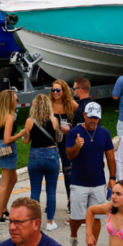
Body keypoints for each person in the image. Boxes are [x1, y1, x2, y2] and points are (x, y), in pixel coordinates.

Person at [66, 102, 117, 246]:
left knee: (97, 217)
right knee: (76, 217)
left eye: (96, 117)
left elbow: (110, 157)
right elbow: (69, 155)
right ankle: (73, 237)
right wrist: (77, 146)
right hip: (78, 181)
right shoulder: (74, 132)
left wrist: (112, 178)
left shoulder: (104, 133)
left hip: (98, 182)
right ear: (84, 115)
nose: (93, 120)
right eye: (90, 116)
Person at [23, 94, 62, 231]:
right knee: (51, 191)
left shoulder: (30, 121)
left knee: (35, 190)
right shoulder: (54, 119)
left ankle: (34, 223)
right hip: (51, 155)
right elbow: (58, 138)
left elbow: (26, 141)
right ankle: (50, 222)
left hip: (35, 156)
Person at [0, 90, 24, 222]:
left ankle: (3, 208)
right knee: (5, 183)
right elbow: (7, 139)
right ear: (9, 101)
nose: (17, 101)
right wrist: (20, 134)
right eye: (16, 99)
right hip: (7, 149)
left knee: (13, 179)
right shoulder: (8, 117)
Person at [51, 80, 78, 214]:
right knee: (51, 171)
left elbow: (81, 115)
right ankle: (50, 202)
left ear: (64, 91)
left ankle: (70, 201)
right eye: (53, 90)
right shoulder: (49, 104)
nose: (55, 93)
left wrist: (72, 128)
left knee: (68, 172)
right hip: (51, 140)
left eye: (58, 90)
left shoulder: (70, 104)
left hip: (66, 140)